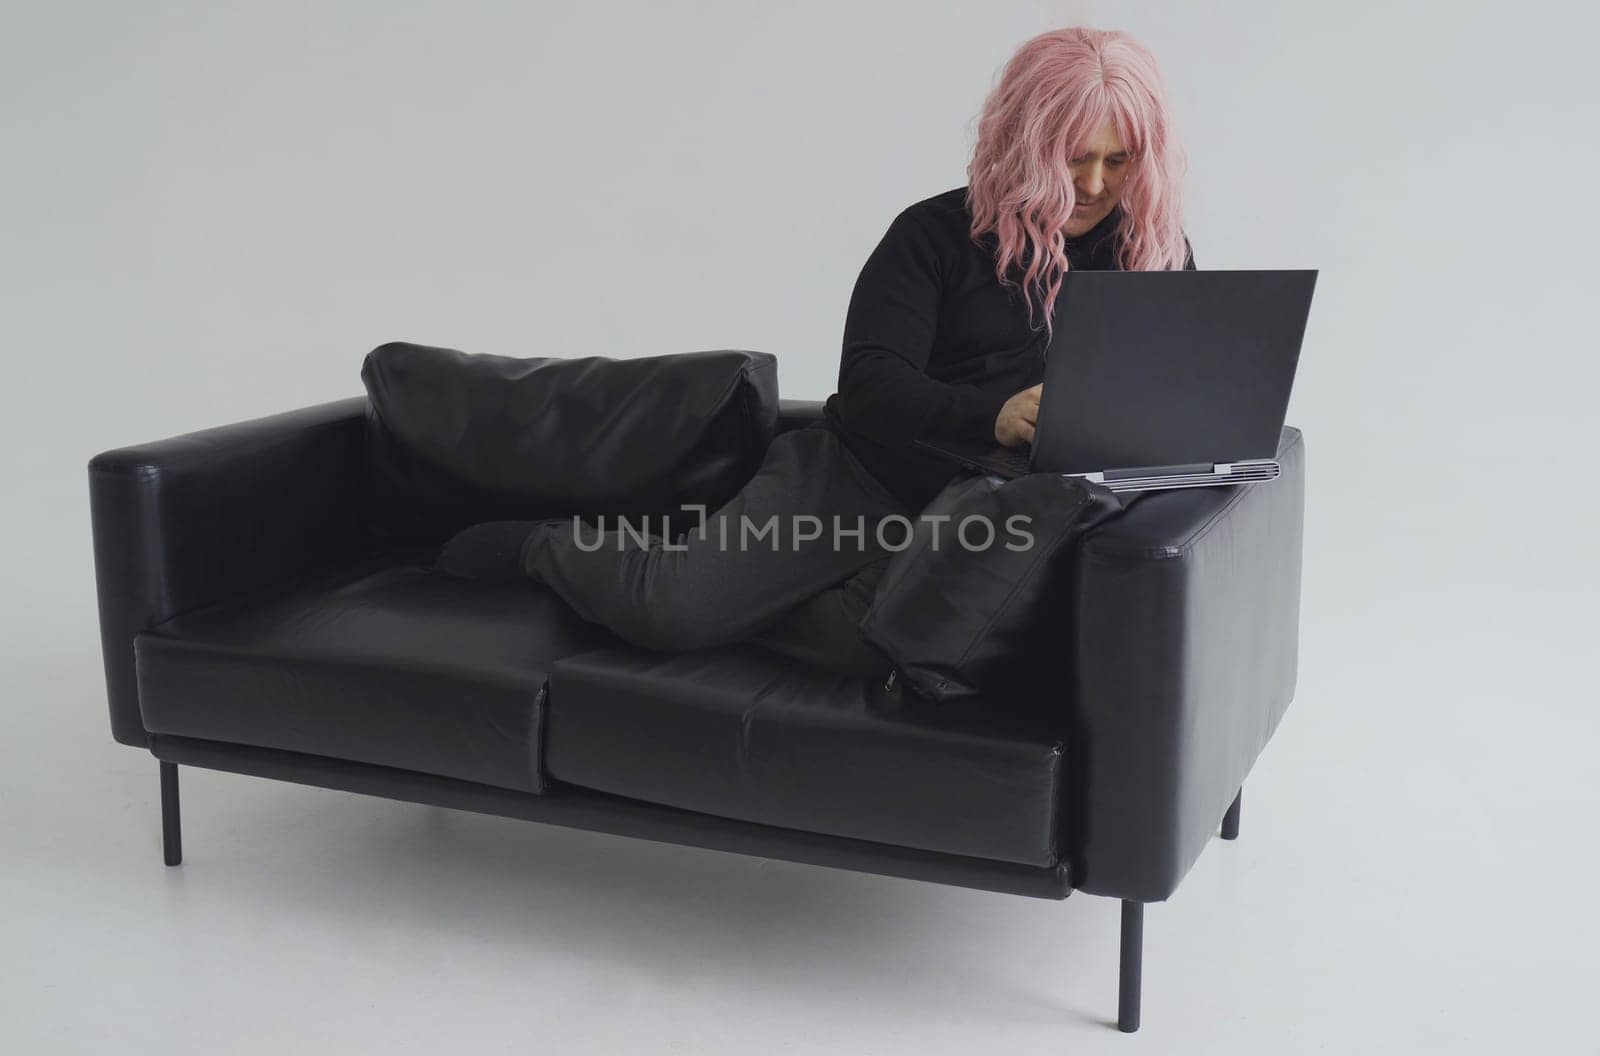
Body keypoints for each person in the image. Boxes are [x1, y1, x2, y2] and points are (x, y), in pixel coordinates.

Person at [435, 26, 1195, 678]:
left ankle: (735, 576)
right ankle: (548, 546)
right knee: (670, 615)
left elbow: (1171, 393)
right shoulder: (931, 237)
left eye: (1118, 160)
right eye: (1074, 157)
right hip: (857, 478)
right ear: (1029, 142)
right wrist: (993, 416)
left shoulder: (1152, 254)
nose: (1094, 183)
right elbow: (869, 386)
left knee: (886, 646)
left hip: (979, 514)